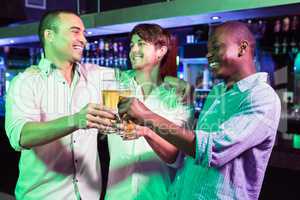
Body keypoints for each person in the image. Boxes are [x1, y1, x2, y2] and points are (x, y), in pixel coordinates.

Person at [118, 21, 281, 200]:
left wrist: (146, 116)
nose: (208, 55)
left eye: (216, 47)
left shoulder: (261, 97)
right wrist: (146, 131)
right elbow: (186, 154)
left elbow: (211, 150)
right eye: (208, 49)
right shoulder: (217, 93)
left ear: (242, 48)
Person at [5, 10, 116, 200]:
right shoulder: (26, 81)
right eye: (75, 31)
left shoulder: (96, 76)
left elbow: (138, 78)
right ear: (49, 35)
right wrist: (76, 120)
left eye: (84, 33)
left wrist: (173, 83)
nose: (84, 40)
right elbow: (21, 136)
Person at [105, 24, 192, 200]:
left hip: (158, 195)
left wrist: (146, 131)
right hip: (117, 195)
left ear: (160, 51)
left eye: (141, 43)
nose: (134, 50)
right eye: (131, 45)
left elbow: (175, 156)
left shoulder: (176, 98)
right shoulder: (114, 84)